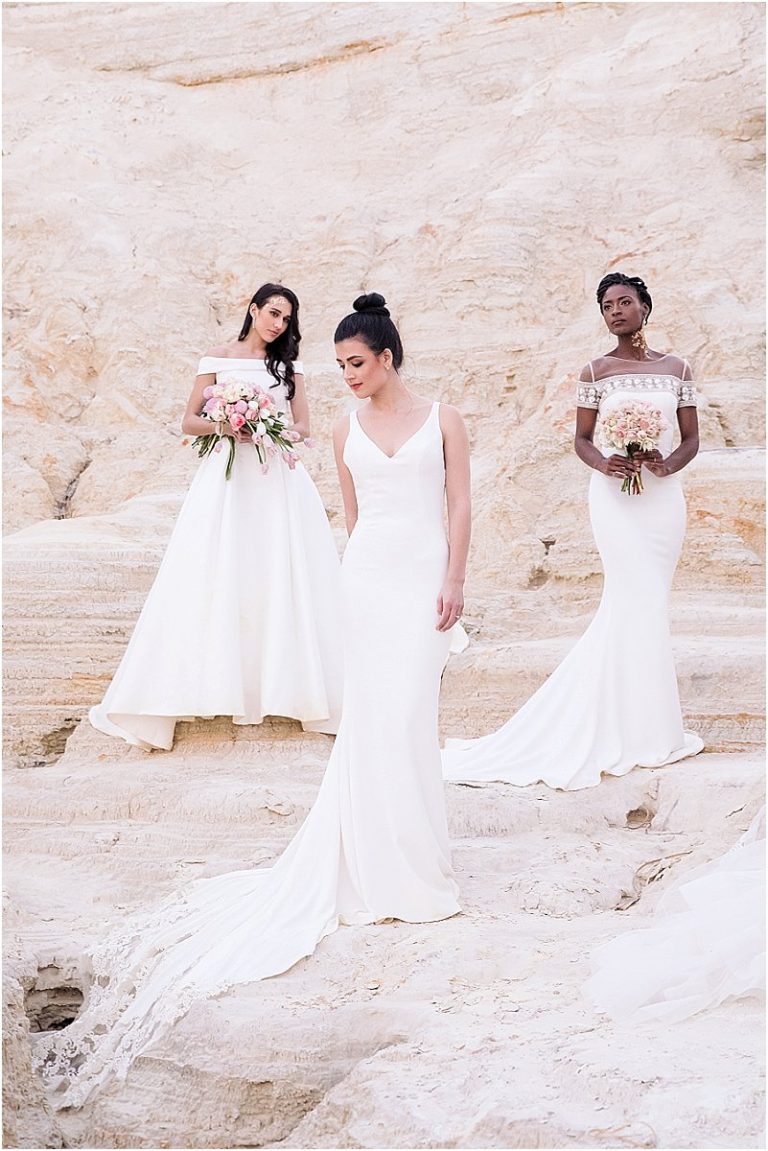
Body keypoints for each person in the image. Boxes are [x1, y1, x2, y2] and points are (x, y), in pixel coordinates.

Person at [35, 293, 471, 1108]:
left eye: (356, 363)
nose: (346, 376)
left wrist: (453, 579)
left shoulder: (443, 418)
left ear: (387, 357)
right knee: (374, 718)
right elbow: (353, 518)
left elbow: (459, 505)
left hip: (423, 580)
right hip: (367, 581)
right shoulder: (342, 428)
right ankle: (376, 860)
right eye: (339, 365)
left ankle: (418, 857)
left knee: (413, 714)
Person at [442, 272, 703, 790]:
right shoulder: (595, 371)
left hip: (662, 500)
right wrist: (606, 462)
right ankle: (627, 726)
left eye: (624, 302)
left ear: (645, 307)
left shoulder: (677, 368)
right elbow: (582, 439)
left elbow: (691, 438)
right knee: (630, 598)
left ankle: (650, 726)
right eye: (607, 305)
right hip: (615, 500)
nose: (616, 311)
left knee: (651, 603)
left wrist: (666, 464)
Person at [89, 283, 343, 748]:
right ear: (253, 309)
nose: (279, 324)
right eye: (273, 313)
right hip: (226, 480)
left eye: (286, 319)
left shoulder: (289, 367)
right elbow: (189, 420)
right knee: (217, 568)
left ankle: (287, 689)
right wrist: (226, 423)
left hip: (273, 478)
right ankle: (208, 686)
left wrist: (265, 425)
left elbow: (304, 426)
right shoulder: (216, 358)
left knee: (277, 569)